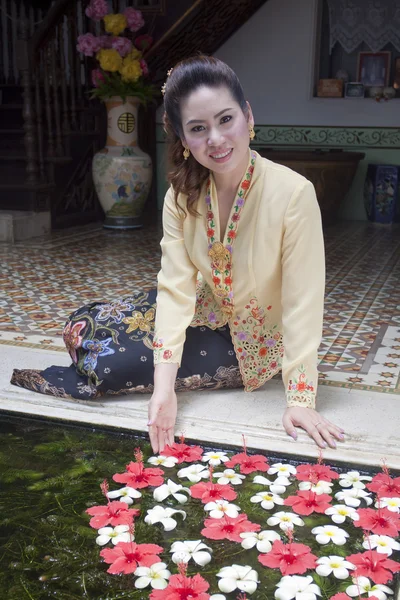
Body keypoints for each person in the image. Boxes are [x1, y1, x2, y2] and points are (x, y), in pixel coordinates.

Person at [11, 55, 345, 454]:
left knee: (109, 364)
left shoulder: (294, 193)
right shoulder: (181, 197)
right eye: (198, 129)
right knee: (84, 323)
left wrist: (300, 401)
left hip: (253, 342)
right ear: (184, 140)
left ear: (247, 115)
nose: (216, 140)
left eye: (226, 120)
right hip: (202, 310)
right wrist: (165, 391)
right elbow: (175, 289)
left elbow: (303, 304)